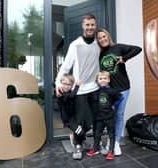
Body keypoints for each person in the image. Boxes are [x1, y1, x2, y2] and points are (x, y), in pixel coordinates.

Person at [55, 13, 100, 160]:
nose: (90, 27)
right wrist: (57, 83)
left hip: (96, 88)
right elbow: (66, 66)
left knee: (93, 120)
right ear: (83, 26)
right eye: (87, 24)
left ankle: (94, 143)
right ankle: (78, 145)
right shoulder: (75, 45)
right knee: (80, 121)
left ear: (95, 25)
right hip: (80, 90)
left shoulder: (98, 43)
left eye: (92, 24)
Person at [96, 28, 142, 156]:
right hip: (108, 90)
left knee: (119, 115)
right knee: (108, 116)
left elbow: (138, 49)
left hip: (123, 88)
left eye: (104, 36)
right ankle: (108, 141)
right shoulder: (99, 54)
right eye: (99, 38)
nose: (102, 39)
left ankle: (115, 142)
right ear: (98, 41)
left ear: (108, 37)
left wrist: (124, 58)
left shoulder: (118, 47)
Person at [86, 71, 122, 160]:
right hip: (99, 117)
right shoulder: (96, 91)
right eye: (100, 79)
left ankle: (111, 151)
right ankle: (95, 148)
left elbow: (121, 97)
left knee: (111, 134)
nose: (102, 80)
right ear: (97, 80)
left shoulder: (112, 90)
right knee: (97, 133)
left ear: (108, 80)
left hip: (109, 116)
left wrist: (114, 105)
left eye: (105, 78)